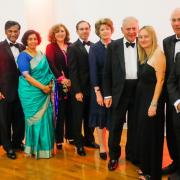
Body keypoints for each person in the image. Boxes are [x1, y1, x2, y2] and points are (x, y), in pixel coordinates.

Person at [103, 16, 139, 170]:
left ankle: (132, 154)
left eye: (134, 28)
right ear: (122, 30)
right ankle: (114, 157)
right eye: (128, 28)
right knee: (115, 126)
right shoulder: (113, 46)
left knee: (136, 126)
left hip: (139, 91)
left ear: (138, 28)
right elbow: (106, 73)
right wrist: (107, 94)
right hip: (119, 92)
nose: (131, 31)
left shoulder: (144, 43)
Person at [17, 30, 54, 159]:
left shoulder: (41, 54)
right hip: (30, 92)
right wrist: (42, 87)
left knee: (46, 117)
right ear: (25, 41)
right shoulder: (23, 55)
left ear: (38, 40)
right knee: (34, 120)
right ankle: (33, 149)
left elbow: (48, 72)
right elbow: (26, 76)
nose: (33, 41)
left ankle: (46, 149)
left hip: (44, 91)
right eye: (30, 39)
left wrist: (49, 85)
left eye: (35, 39)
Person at [135, 26, 166, 180]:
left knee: (153, 136)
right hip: (143, 100)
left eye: (146, 36)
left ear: (152, 37)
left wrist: (153, 104)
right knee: (145, 134)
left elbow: (160, 81)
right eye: (140, 37)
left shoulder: (158, 54)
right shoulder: (145, 55)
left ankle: (153, 174)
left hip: (152, 101)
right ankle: (146, 167)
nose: (143, 40)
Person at [68, 20, 99, 156]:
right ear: (77, 31)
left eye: (86, 28)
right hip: (79, 89)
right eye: (81, 29)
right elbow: (72, 71)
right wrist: (77, 91)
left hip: (92, 89)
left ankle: (89, 140)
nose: (84, 31)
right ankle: (79, 144)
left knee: (89, 117)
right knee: (77, 118)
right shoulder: (73, 47)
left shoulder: (94, 46)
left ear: (90, 30)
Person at [46, 24, 74, 150]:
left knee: (71, 111)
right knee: (60, 112)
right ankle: (58, 140)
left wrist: (72, 80)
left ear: (66, 32)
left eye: (62, 31)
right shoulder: (50, 47)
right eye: (57, 32)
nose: (60, 34)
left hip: (73, 83)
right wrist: (62, 79)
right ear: (53, 34)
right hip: (59, 83)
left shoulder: (71, 45)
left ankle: (71, 136)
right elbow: (51, 64)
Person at [89, 18, 113, 160]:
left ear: (111, 30)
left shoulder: (117, 45)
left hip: (115, 89)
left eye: (107, 28)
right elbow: (93, 71)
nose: (105, 31)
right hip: (100, 89)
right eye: (102, 29)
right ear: (98, 32)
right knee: (100, 119)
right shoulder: (95, 48)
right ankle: (102, 146)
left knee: (112, 119)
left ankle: (112, 145)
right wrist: (98, 93)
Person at [0, 21, 25, 159]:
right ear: (5, 31)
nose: (13, 34)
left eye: (16, 31)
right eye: (10, 31)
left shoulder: (22, 47)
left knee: (19, 119)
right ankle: (7, 146)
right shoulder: (0, 47)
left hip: (21, 91)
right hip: (4, 91)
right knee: (5, 120)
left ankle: (17, 142)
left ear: (19, 32)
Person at [162, 7, 180, 176]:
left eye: (179, 19)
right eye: (173, 20)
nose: (176, 23)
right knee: (173, 132)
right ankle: (176, 162)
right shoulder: (167, 41)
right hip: (171, 95)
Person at [167, 52, 180, 180]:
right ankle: (177, 166)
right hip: (179, 108)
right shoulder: (179, 56)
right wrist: (177, 101)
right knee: (177, 139)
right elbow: (171, 81)